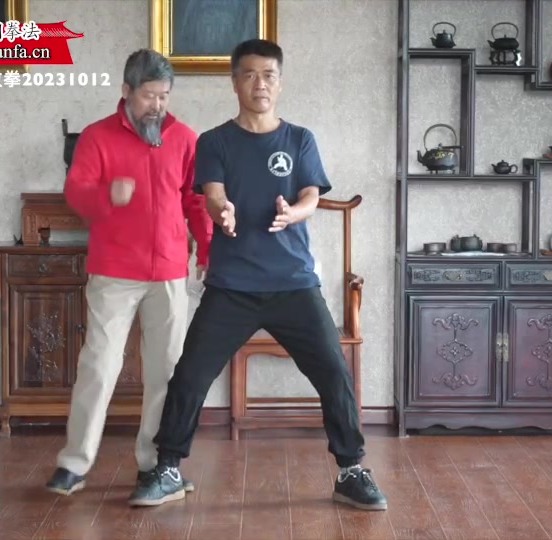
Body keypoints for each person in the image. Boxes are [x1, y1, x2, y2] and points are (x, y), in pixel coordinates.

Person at [126, 39, 388, 511]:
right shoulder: (215, 141)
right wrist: (222, 211)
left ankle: (351, 471)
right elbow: (212, 194)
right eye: (249, 74)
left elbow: (311, 195)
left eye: (268, 75)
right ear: (234, 83)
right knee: (190, 375)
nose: (259, 84)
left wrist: (295, 213)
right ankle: (166, 468)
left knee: (334, 372)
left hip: (294, 283)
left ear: (280, 83)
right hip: (232, 286)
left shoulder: (300, 139)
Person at [45, 49, 212, 496]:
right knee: (99, 365)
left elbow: (196, 201)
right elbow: (76, 192)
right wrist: (106, 196)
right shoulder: (97, 137)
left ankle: (155, 464)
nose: (157, 105)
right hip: (115, 271)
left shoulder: (185, 139)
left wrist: (207, 249)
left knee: (166, 371)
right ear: (126, 91)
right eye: (149, 96)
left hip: (169, 271)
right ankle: (74, 463)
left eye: (164, 96)